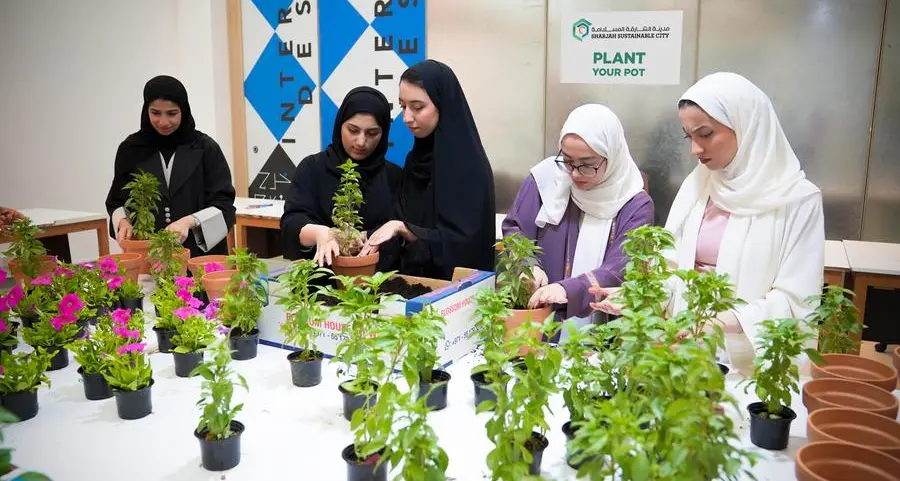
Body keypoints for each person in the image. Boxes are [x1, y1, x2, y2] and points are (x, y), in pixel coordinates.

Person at [592, 72, 825, 371]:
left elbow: (795, 300)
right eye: (689, 137)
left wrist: (716, 323)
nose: (695, 150)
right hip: (686, 350)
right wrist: (644, 296)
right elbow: (674, 268)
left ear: (746, 125)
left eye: (705, 134)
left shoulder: (797, 200)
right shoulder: (700, 184)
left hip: (751, 363)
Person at [502, 104, 654, 331]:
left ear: (611, 157)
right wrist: (527, 266)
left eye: (587, 165)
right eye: (568, 160)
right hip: (538, 322)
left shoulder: (634, 204)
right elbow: (515, 230)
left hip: (603, 331)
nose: (574, 173)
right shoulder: (544, 180)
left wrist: (568, 289)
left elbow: (621, 268)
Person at [359, 60, 496, 280]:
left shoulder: (468, 166)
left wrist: (406, 229)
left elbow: (466, 246)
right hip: (407, 287)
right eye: (403, 106)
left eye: (418, 107)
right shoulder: (415, 160)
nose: (406, 118)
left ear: (442, 104)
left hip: (454, 297)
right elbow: (400, 219)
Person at [106, 75, 235, 256]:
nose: (164, 122)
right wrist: (123, 222)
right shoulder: (131, 149)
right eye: (155, 113)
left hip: (199, 256)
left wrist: (189, 222)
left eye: (172, 113)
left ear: (184, 110)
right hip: (149, 254)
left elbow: (224, 205)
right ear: (146, 110)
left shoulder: (205, 148)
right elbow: (117, 200)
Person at [280, 86, 401, 267]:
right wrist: (320, 233)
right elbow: (292, 223)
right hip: (319, 284)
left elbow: (405, 234)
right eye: (353, 130)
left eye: (372, 133)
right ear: (339, 125)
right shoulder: (312, 168)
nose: (361, 141)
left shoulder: (395, 177)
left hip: (380, 284)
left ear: (384, 134)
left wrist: (368, 237)